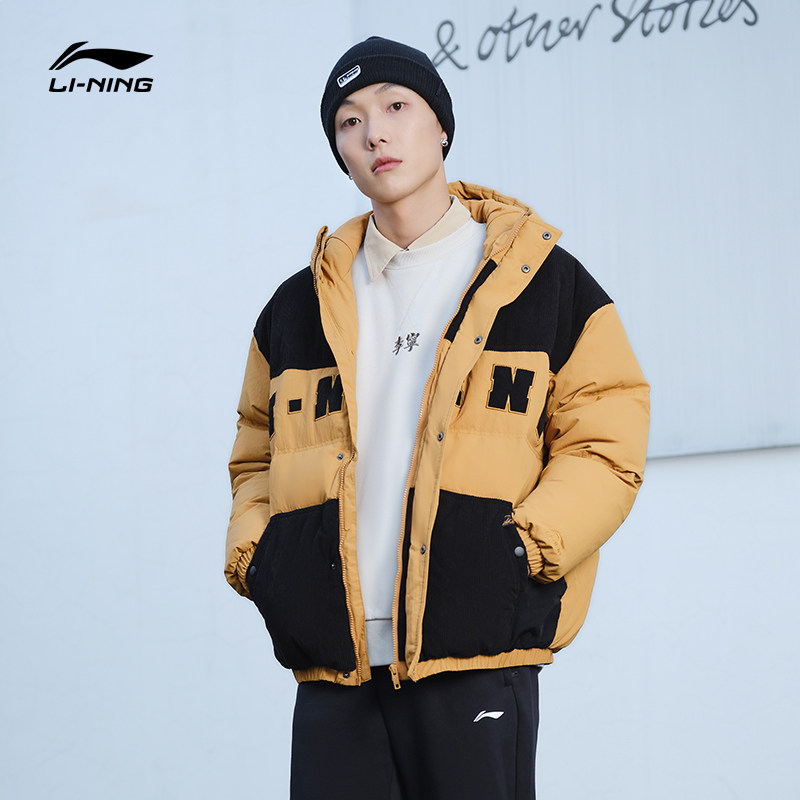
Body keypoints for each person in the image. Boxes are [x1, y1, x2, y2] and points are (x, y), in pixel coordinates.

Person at [225, 36, 650, 800]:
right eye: (349, 121)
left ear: (441, 125)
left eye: (396, 106)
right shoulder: (297, 307)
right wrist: (262, 559)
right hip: (334, 664)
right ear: (339, 150)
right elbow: (255, 454)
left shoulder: (544, 282)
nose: (375, 133)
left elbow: (605, 441)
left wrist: (521, 551)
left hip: (476, 654)